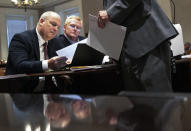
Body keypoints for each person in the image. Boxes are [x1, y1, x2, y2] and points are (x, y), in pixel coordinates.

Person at [97, 0, 178, 92]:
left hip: (148, 42)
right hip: (127, 50)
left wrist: (110, 13)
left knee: (160, 102)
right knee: (138, 102)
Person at [6, 11, 68, 92]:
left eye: (58, 27)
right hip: (25, 89)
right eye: (53, 24)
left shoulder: (55, 41)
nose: (56, 29)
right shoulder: (21, 38)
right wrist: (48, 64)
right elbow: (20, 65)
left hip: (52, 89)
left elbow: (62, 63)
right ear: (41, 21)